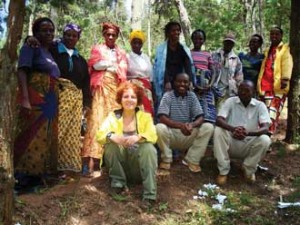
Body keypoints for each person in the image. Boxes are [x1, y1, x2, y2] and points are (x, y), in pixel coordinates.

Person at [96, 81, 157, 205]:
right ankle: (118, 184)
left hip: (138, 169)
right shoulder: (113, 116)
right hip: (119, 167)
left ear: (138, 100)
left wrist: (139, 137)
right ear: (120, 99)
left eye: (133, 97)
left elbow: (153, 136)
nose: (129, 100)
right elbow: (99, 135)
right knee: (111, 145)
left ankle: (150, 195)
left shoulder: (145, 117)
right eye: (126, 96)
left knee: (149, 148)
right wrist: (111, 136)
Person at [14, 17, 60, 176]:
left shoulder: (50, 51)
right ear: (36, 33)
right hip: (35, 99)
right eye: (44, 30)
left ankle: (39, 176)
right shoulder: (31, 47)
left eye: (51, 30)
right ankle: (22, 177)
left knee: (43, 137)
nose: (49, 33)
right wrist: (25, 99)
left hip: (49, 103)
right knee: (30, 134)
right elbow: (22, 70)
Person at [82, 22, 128, 176]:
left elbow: (122, 69)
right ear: (103, 34)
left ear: (116, 36)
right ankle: (91, 161)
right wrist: (110, 65)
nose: (110, 37)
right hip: (101, 89)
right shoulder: (98, 49)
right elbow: (94, 65)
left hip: (115, 91)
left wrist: (107, 65)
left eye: (113, 35)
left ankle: (109, 160)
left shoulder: (121, 52)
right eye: (107, 34)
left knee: (113, 122)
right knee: (96, 121)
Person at [50, 24, 92, 172]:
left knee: (72, 133)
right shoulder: (53, 50)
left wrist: (87, 103)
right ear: (63, 35)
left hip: (76, 99)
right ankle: (50, 165)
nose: (71, 38)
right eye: (68, 34)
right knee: (57, 130)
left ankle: (66, 166)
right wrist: (30, 39)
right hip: (58, 96)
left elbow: (86, 82)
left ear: (78, 38)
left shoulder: (81, 59)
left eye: (74, 36)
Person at [213, 80, 271, 185]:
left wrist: (247, 133)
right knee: (218, 131)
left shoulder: (260, 105)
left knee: (265, 139)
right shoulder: (230, 101)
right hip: (230, 142)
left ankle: (248, 170)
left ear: (253, 92)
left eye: (247, 90)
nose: (243, 92)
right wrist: (233, 129)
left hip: (248, 143)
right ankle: (223, 171)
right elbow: (219, 119)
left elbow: (265, 128)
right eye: (240, 89)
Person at [156, 73, 214, 173]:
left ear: (189, 84)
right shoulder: (168, 96)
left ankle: (192, 160)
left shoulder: (192, 96)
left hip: (188, 132)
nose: (182, 84)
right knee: (159, 127)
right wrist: (181, 125)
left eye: (185, 82)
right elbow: (162, 117)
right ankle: (166, 160)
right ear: (174, 83)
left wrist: (192, 125)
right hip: (172, 135)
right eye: (179, 81)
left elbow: (200, 117)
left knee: (208, 127)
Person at [257, 26, 293, 135]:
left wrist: (285, 79)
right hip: (264, 87)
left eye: (276, 34)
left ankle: (267, 138)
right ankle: (261, 138)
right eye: (272, 34)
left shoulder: (285, 49)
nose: (274, 36)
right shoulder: (268, 50)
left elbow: (287, 63)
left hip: (277, 88)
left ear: (281, 36)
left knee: (272, 113)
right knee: (263, 114)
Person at [153, 21, 194, 109]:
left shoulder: (184, 48)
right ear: (168, 33)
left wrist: (190, 81)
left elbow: (188, 65)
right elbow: (160, 67)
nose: (176, 32)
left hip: (180, 81)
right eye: (173, 30)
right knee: (166, 105)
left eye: (178, 30)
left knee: (180, 105)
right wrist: (167, 81)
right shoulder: (161, 49)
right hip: (165, 81)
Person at [191, 29, 221, 123]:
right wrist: (195, 85)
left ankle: (208, 131)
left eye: (200, 39)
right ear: (192, 39)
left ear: (204, 40)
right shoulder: (188, 53)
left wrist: (210, 85)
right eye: (195, 38)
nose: (198, 41)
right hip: (192, 86)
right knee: (193, 111)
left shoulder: (207, 54)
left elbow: (213, 71)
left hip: (206, 87)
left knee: (208, 112)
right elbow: (187, 70)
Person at [127, 30, 154, 116]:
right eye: (134, 42)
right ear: (131, 43)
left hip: (147, 88)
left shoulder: (145, 57)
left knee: (148, 110)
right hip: (134, 88)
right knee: (137, 110)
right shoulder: (127, 57)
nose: (137, 45)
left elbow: (151, 74)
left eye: (139, 43)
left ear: (142, 44)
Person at [212, 32, 243, 106]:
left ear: (233, 44)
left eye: (231, 43)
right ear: (223, 42)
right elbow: (210, 71)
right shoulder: (214, 55)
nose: (228, 44)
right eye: (227, 42)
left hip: (230, 91)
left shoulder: (236, 59)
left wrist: (239, 90)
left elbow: (239, 77)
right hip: (216, 89)